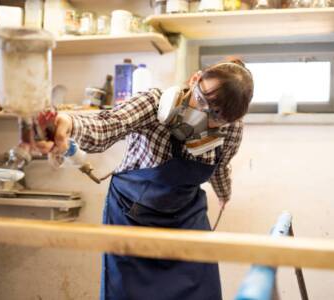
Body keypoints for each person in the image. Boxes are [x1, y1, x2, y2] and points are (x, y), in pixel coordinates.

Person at [40, 58, 254, 300]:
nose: (204, 118)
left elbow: (221, 166)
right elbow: (108, 125)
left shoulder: (232, 127)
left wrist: (224, 194)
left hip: (186, 218)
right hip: (131, 217)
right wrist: (68, 123)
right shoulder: (153, 104)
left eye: (217, 117)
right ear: (195, 80)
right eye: (203, 102)